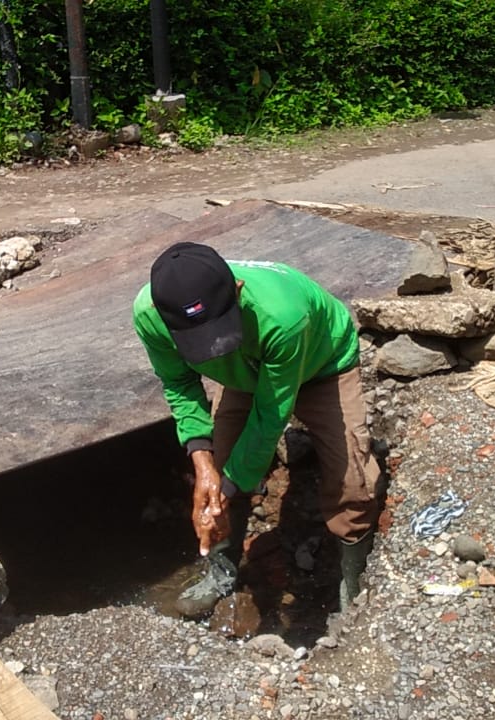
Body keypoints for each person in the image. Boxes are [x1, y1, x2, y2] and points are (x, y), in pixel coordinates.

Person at [132, 241, 381, 617]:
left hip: (321, 361)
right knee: (225, 461)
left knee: (352, 483)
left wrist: (223, 494)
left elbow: (269, 416)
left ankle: (352, 585)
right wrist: (204, 466)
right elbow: (179, 385)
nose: (212, 347)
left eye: (217, 331)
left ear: (237, 290)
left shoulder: (283, 315)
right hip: (246, 370)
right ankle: (222, 573)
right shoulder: (150, 314)